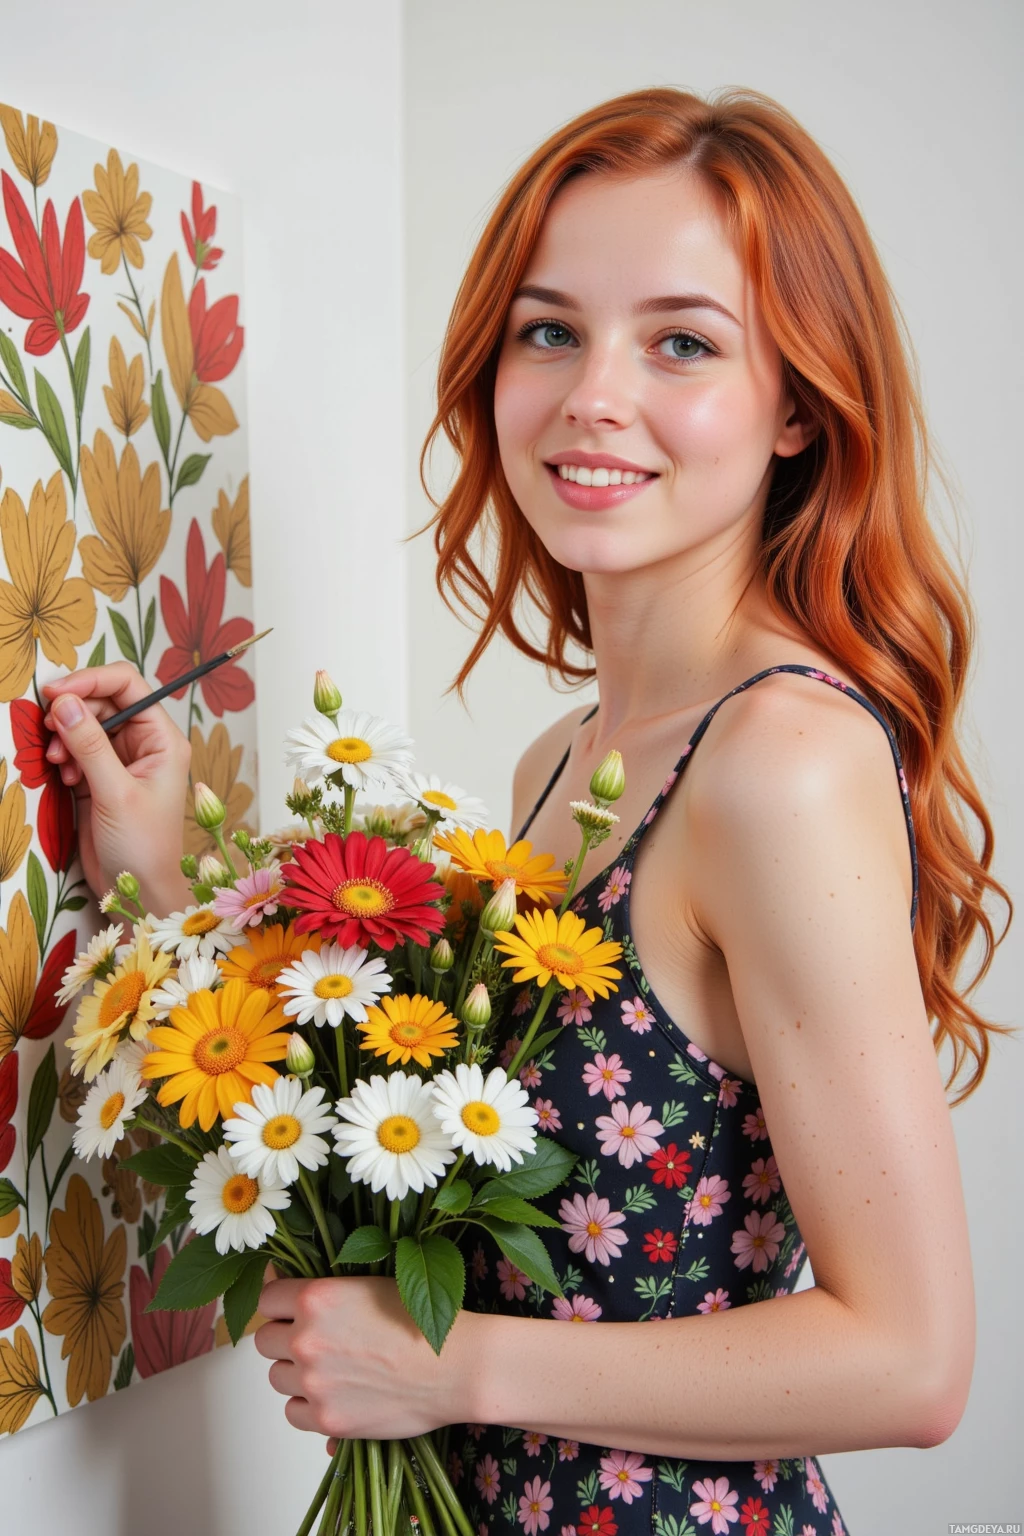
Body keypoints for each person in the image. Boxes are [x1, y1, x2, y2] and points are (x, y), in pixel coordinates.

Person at [41, 87, 1012, 1534]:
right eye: (549, 331)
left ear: (799, 405)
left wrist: (447, 1365)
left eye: (682, 342)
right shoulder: (566, 760)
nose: (591, 395)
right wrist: (159, 878)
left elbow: (910, 1361)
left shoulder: (781, 761)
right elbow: (421, 1168)